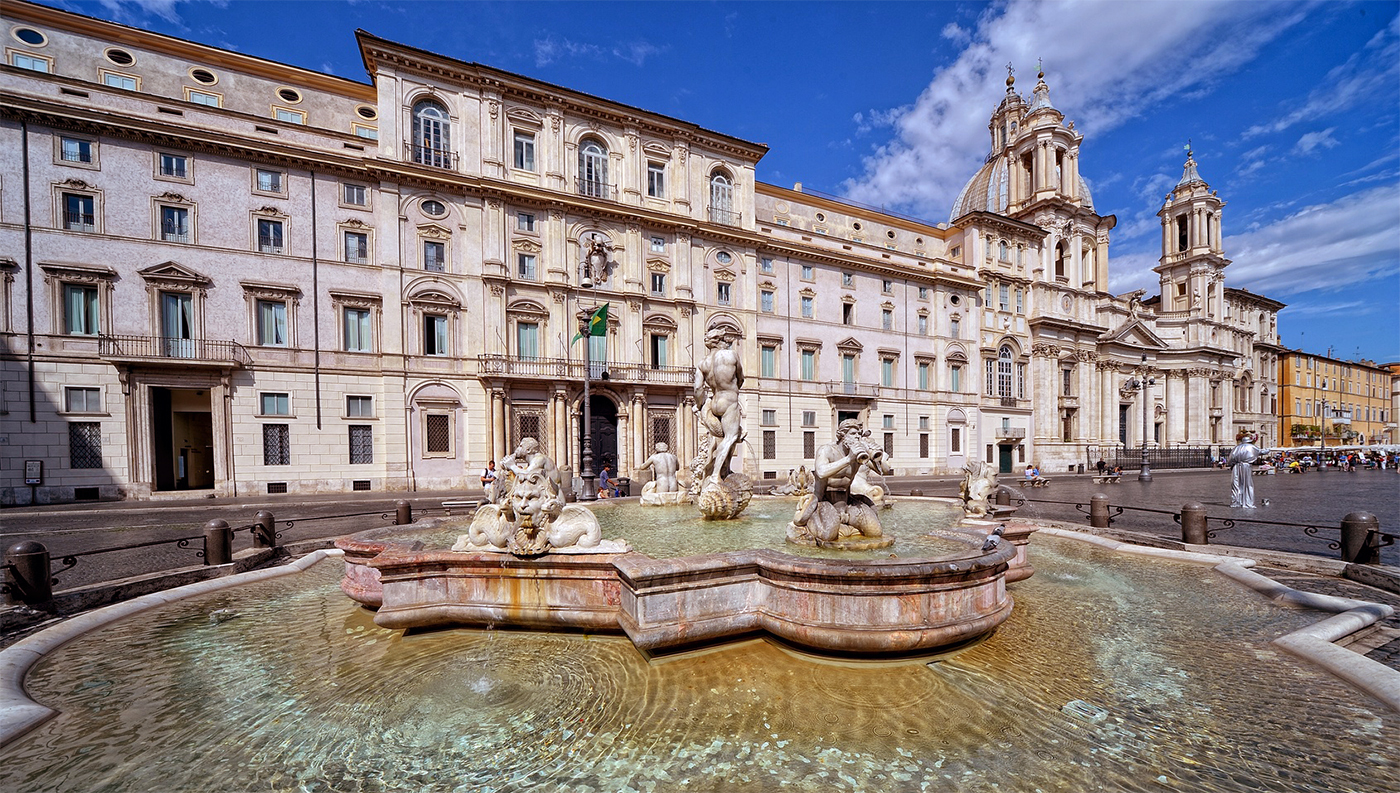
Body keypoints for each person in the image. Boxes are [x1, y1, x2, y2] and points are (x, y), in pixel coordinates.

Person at [694, 327, 745, 486]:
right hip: (729, 400)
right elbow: (740, 378)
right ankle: (715, 475)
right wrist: (733, 390)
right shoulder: (732, 355)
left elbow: (697, 389)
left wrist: (700, 404)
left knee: (722, 439)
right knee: (731, 437)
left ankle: (725, 470)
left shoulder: (703, 363)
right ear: (721, 341)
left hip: (714, 402)